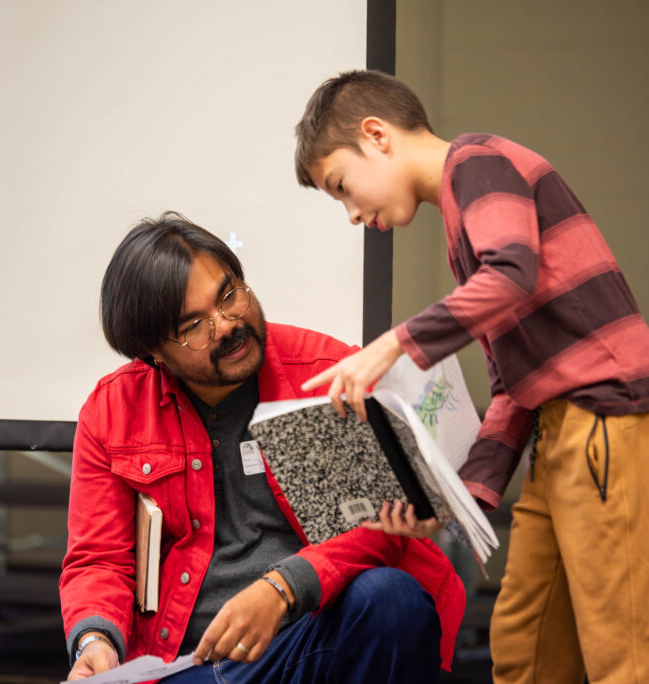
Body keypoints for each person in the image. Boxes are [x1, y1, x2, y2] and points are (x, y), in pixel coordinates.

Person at [294, 70, 649, 683]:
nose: (349, 213)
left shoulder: (477, 161)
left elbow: (511, 274)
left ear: (377, 136)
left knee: (628, 652)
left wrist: (392, 347)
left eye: (341, 185)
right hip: (560, 435)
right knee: (523, 644)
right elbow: (511, 389)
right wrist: (452, 505)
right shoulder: (463, 222)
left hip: (606, 413)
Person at [59, 212, 465, 683]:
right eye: (195, 325)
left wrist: (281, 590)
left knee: (389, 597)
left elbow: (378, 525)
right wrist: (96, 641)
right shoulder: (113, 409)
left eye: (229, 294)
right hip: (186, 662)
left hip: (307, 642)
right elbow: (99, 559)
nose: (228, 325)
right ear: (153, 352)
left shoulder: (326, 374)